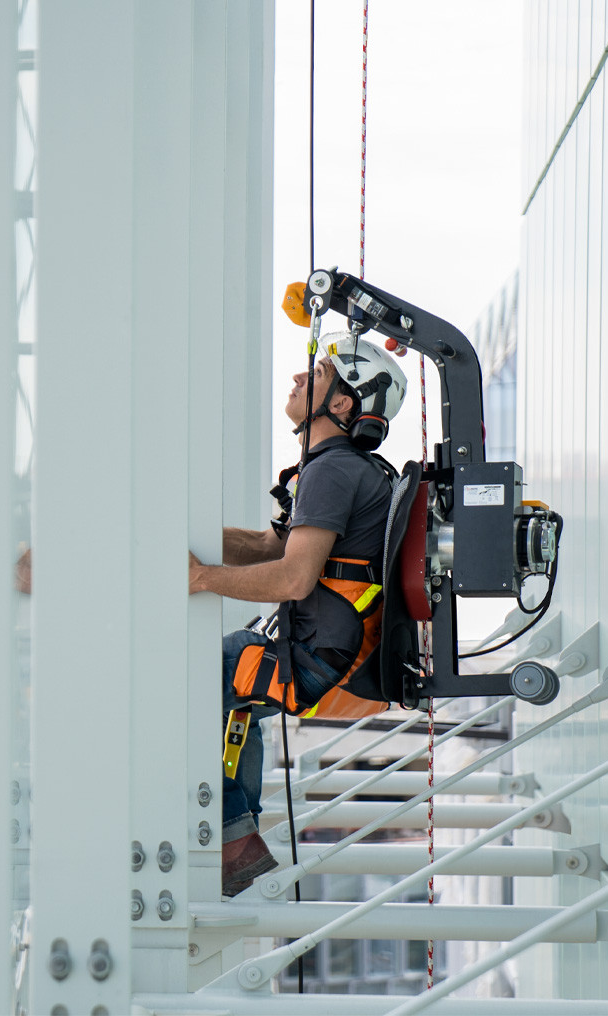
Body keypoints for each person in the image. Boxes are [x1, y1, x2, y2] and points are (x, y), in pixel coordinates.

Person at [188, 331, 407, 897]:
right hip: (326, 650)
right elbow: (269, 548)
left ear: (341, 404)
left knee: (190, 675)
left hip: (311, 655)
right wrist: (185, 542)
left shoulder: (332, 471)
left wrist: (200, 578)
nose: (296, 379)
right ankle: (237, 844)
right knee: (232, 687)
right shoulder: (346, 469)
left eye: (315, 374)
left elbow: (291, 578)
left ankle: (234, 842)